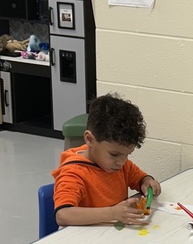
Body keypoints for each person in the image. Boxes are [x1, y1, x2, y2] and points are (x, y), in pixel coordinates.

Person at [52, 92, 161, 227]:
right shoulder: (73, 173)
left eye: (127, 155)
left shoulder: (121, 165)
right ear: (90, 139)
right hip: (84, 242)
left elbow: (140, 179)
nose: (121, 162)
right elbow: (62, 215)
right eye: (114, 154)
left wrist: (147, 181)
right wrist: (111, 213)